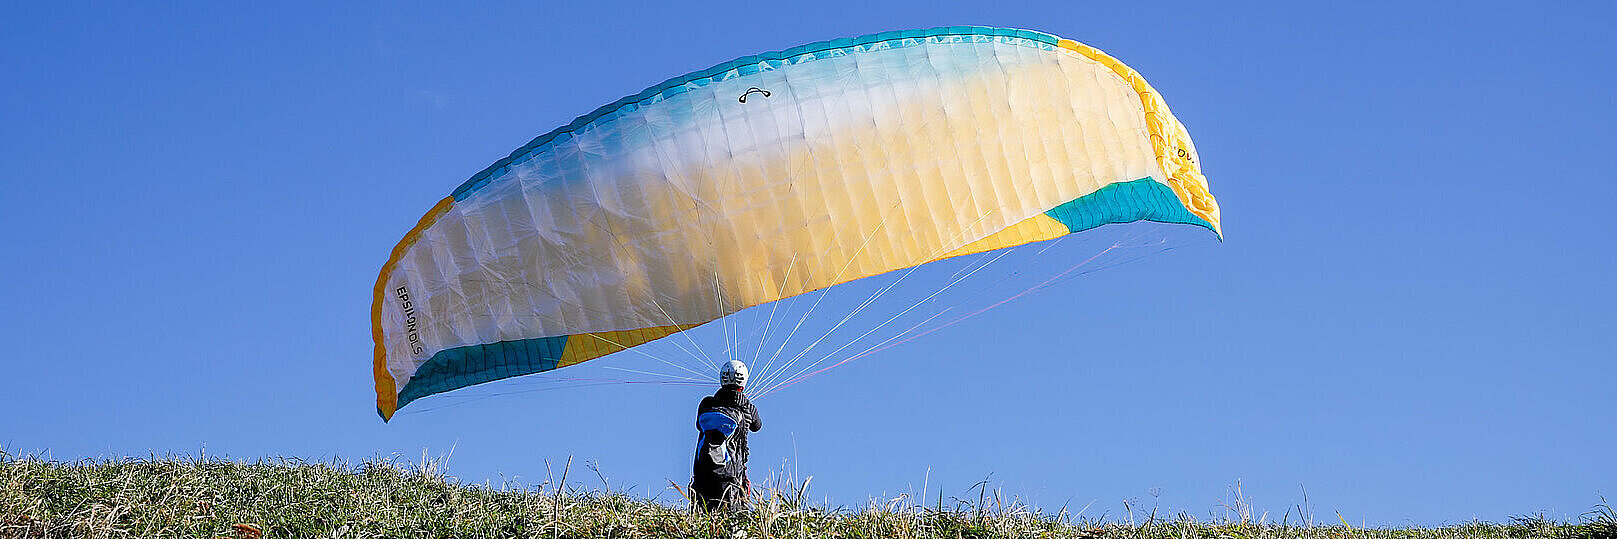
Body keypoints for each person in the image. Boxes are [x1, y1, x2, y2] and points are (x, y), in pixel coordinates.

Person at [690, 359, 762, 511]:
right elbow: (757, 426)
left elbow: (698, 424)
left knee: (702, 513)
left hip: (703, 474)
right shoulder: (748, 409)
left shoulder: (707, 404)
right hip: (731, 477)